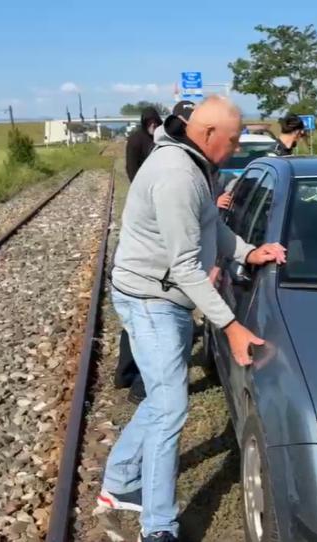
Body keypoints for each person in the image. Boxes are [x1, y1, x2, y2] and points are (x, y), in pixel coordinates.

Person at [98, 96, 286, 542]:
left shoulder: (194, 162)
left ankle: (120, 482)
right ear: (207, 134)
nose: (238, 148)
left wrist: (246, 251)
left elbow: (210, 226)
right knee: (171, 407)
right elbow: (185, 266)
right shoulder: (178, 175)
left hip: (164, 294)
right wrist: (232, 325)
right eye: (235, 140)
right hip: (151, 298)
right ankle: (157, 527)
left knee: (162, 398)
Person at [116, 101, 197, 405]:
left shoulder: (164, 147)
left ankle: (134, 377)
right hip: (149, 273)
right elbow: (131, 168)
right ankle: (137, 380)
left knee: (140, 326)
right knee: (147, 325)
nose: (152, 126)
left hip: (144, 271)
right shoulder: (141, 142)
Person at [125, 107, 163, 182]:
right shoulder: (135, 140)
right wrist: (136, 185)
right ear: (144, 123)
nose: (153, 125)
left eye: (155, 122)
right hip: (142, 180)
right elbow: (131, 167)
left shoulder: (163, 137)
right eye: (149, 122)